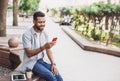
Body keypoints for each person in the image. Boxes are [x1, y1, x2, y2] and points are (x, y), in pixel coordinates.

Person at [22, 11, 63, 81]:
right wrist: (43, 47)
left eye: (44, 22)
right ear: (34, 21)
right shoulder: (27, 34)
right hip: (31, 63)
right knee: (50, 76)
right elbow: (29, 54)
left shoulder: (44, 33)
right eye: (40, 22)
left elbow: (48, 50)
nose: (42, 24)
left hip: (42, 61)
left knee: (58, 75)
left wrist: (53, 64)